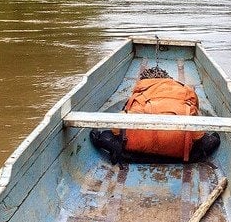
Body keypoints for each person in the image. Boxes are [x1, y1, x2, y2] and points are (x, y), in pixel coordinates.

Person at [90, 66, 221, 164]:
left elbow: (116, 129)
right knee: (212, 140)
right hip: (181, 152)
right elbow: (198, 132)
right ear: (169, 79)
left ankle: (130, 155)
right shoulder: (186, 90)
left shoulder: (138, 94)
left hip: (134, 149)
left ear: (143, 81)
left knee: (104, 136)